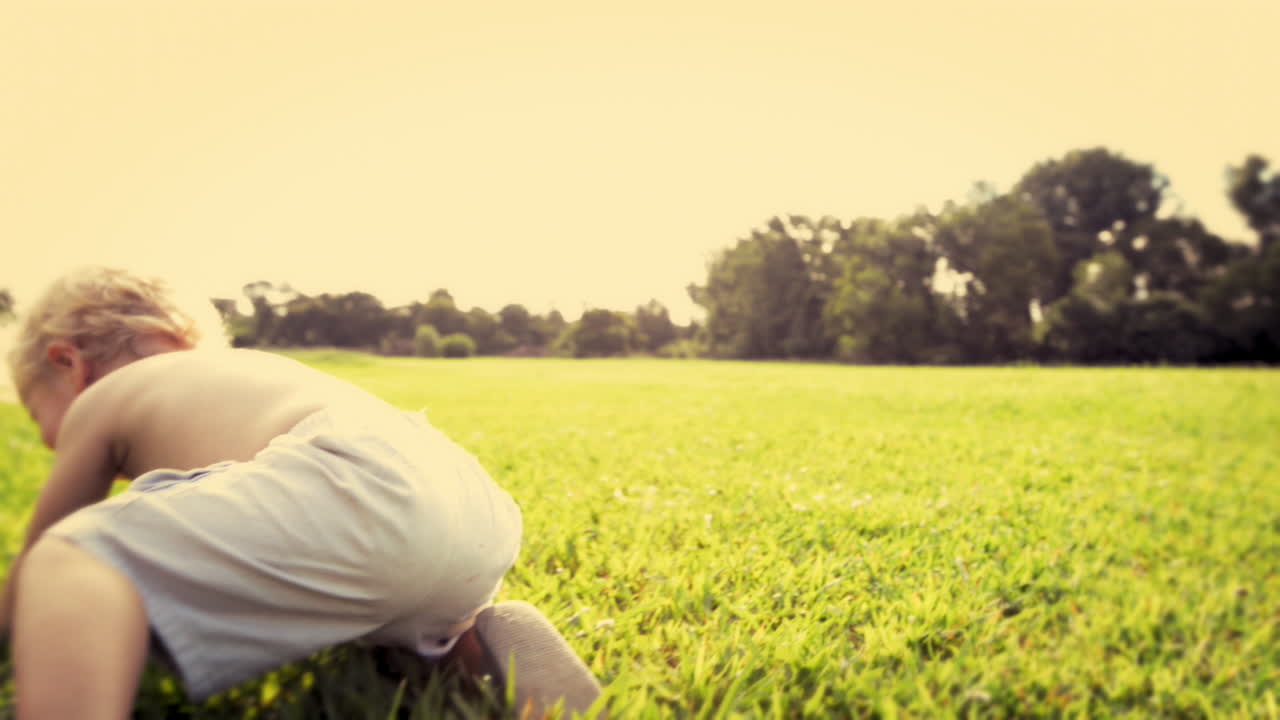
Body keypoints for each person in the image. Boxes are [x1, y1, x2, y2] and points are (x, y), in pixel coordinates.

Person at [0, 266, 600, 719]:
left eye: (40, 418)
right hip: (470, 505)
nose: (55, 444)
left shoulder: (103, 399)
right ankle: (476, 645)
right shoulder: (244, 377)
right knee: (386, 619)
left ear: (68, 364)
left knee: (72, 557)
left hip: (349, 481)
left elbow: (41, 555)